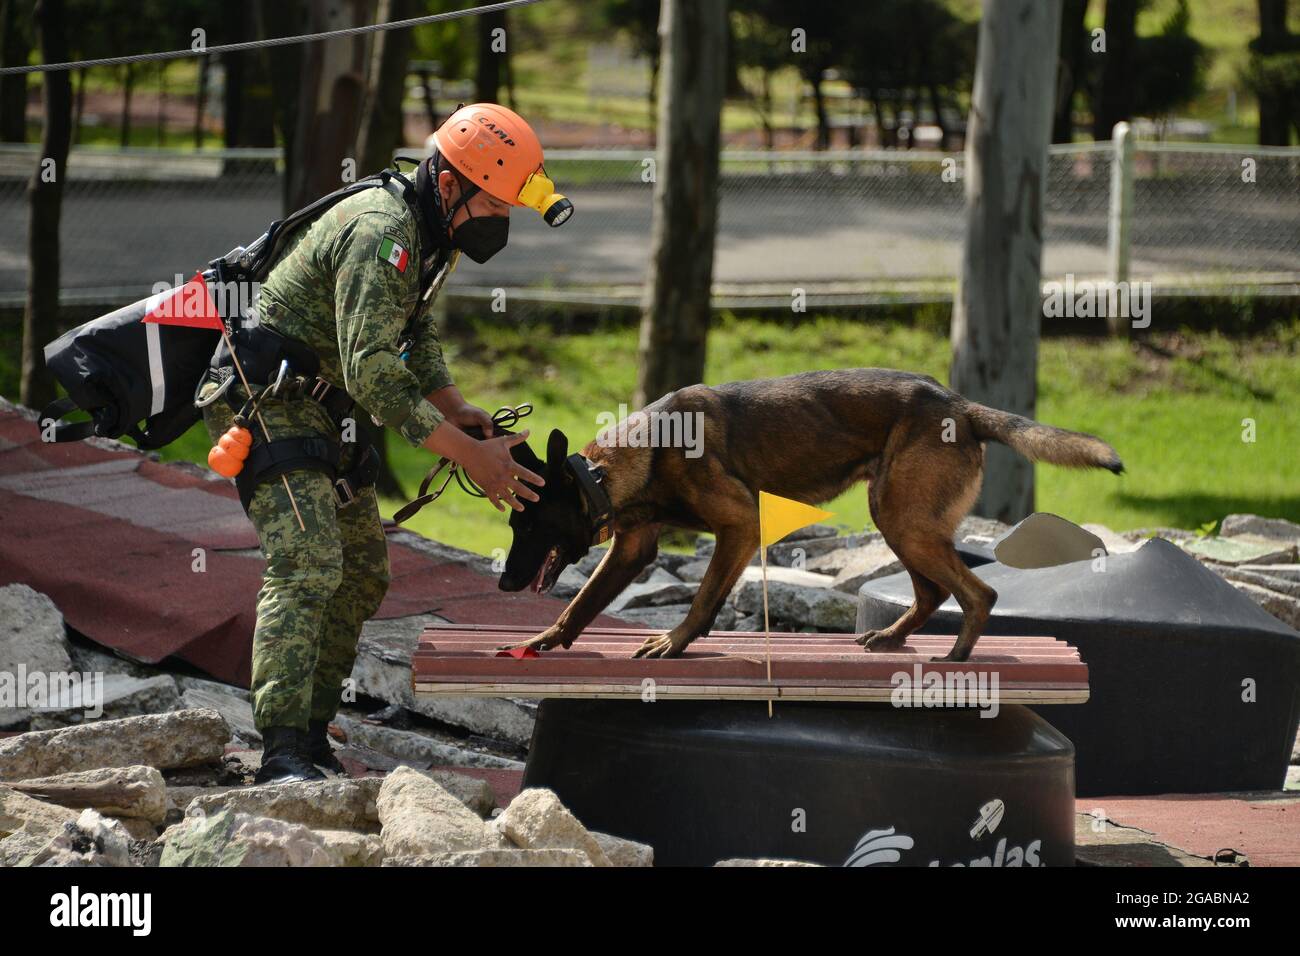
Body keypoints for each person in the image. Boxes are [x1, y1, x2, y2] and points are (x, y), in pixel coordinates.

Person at [197, 103, 567, 784]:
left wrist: (457, 408)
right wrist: (465, 453)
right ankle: (279, 752)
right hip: (264, 401)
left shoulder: (432, 234)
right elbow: (371, 367)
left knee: (363, 571)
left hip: (327, 405)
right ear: (450, 182)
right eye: (495, 204)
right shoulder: (381, 231)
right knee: (307, 562)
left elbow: (413, 335)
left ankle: (310, 736)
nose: (500, 222)